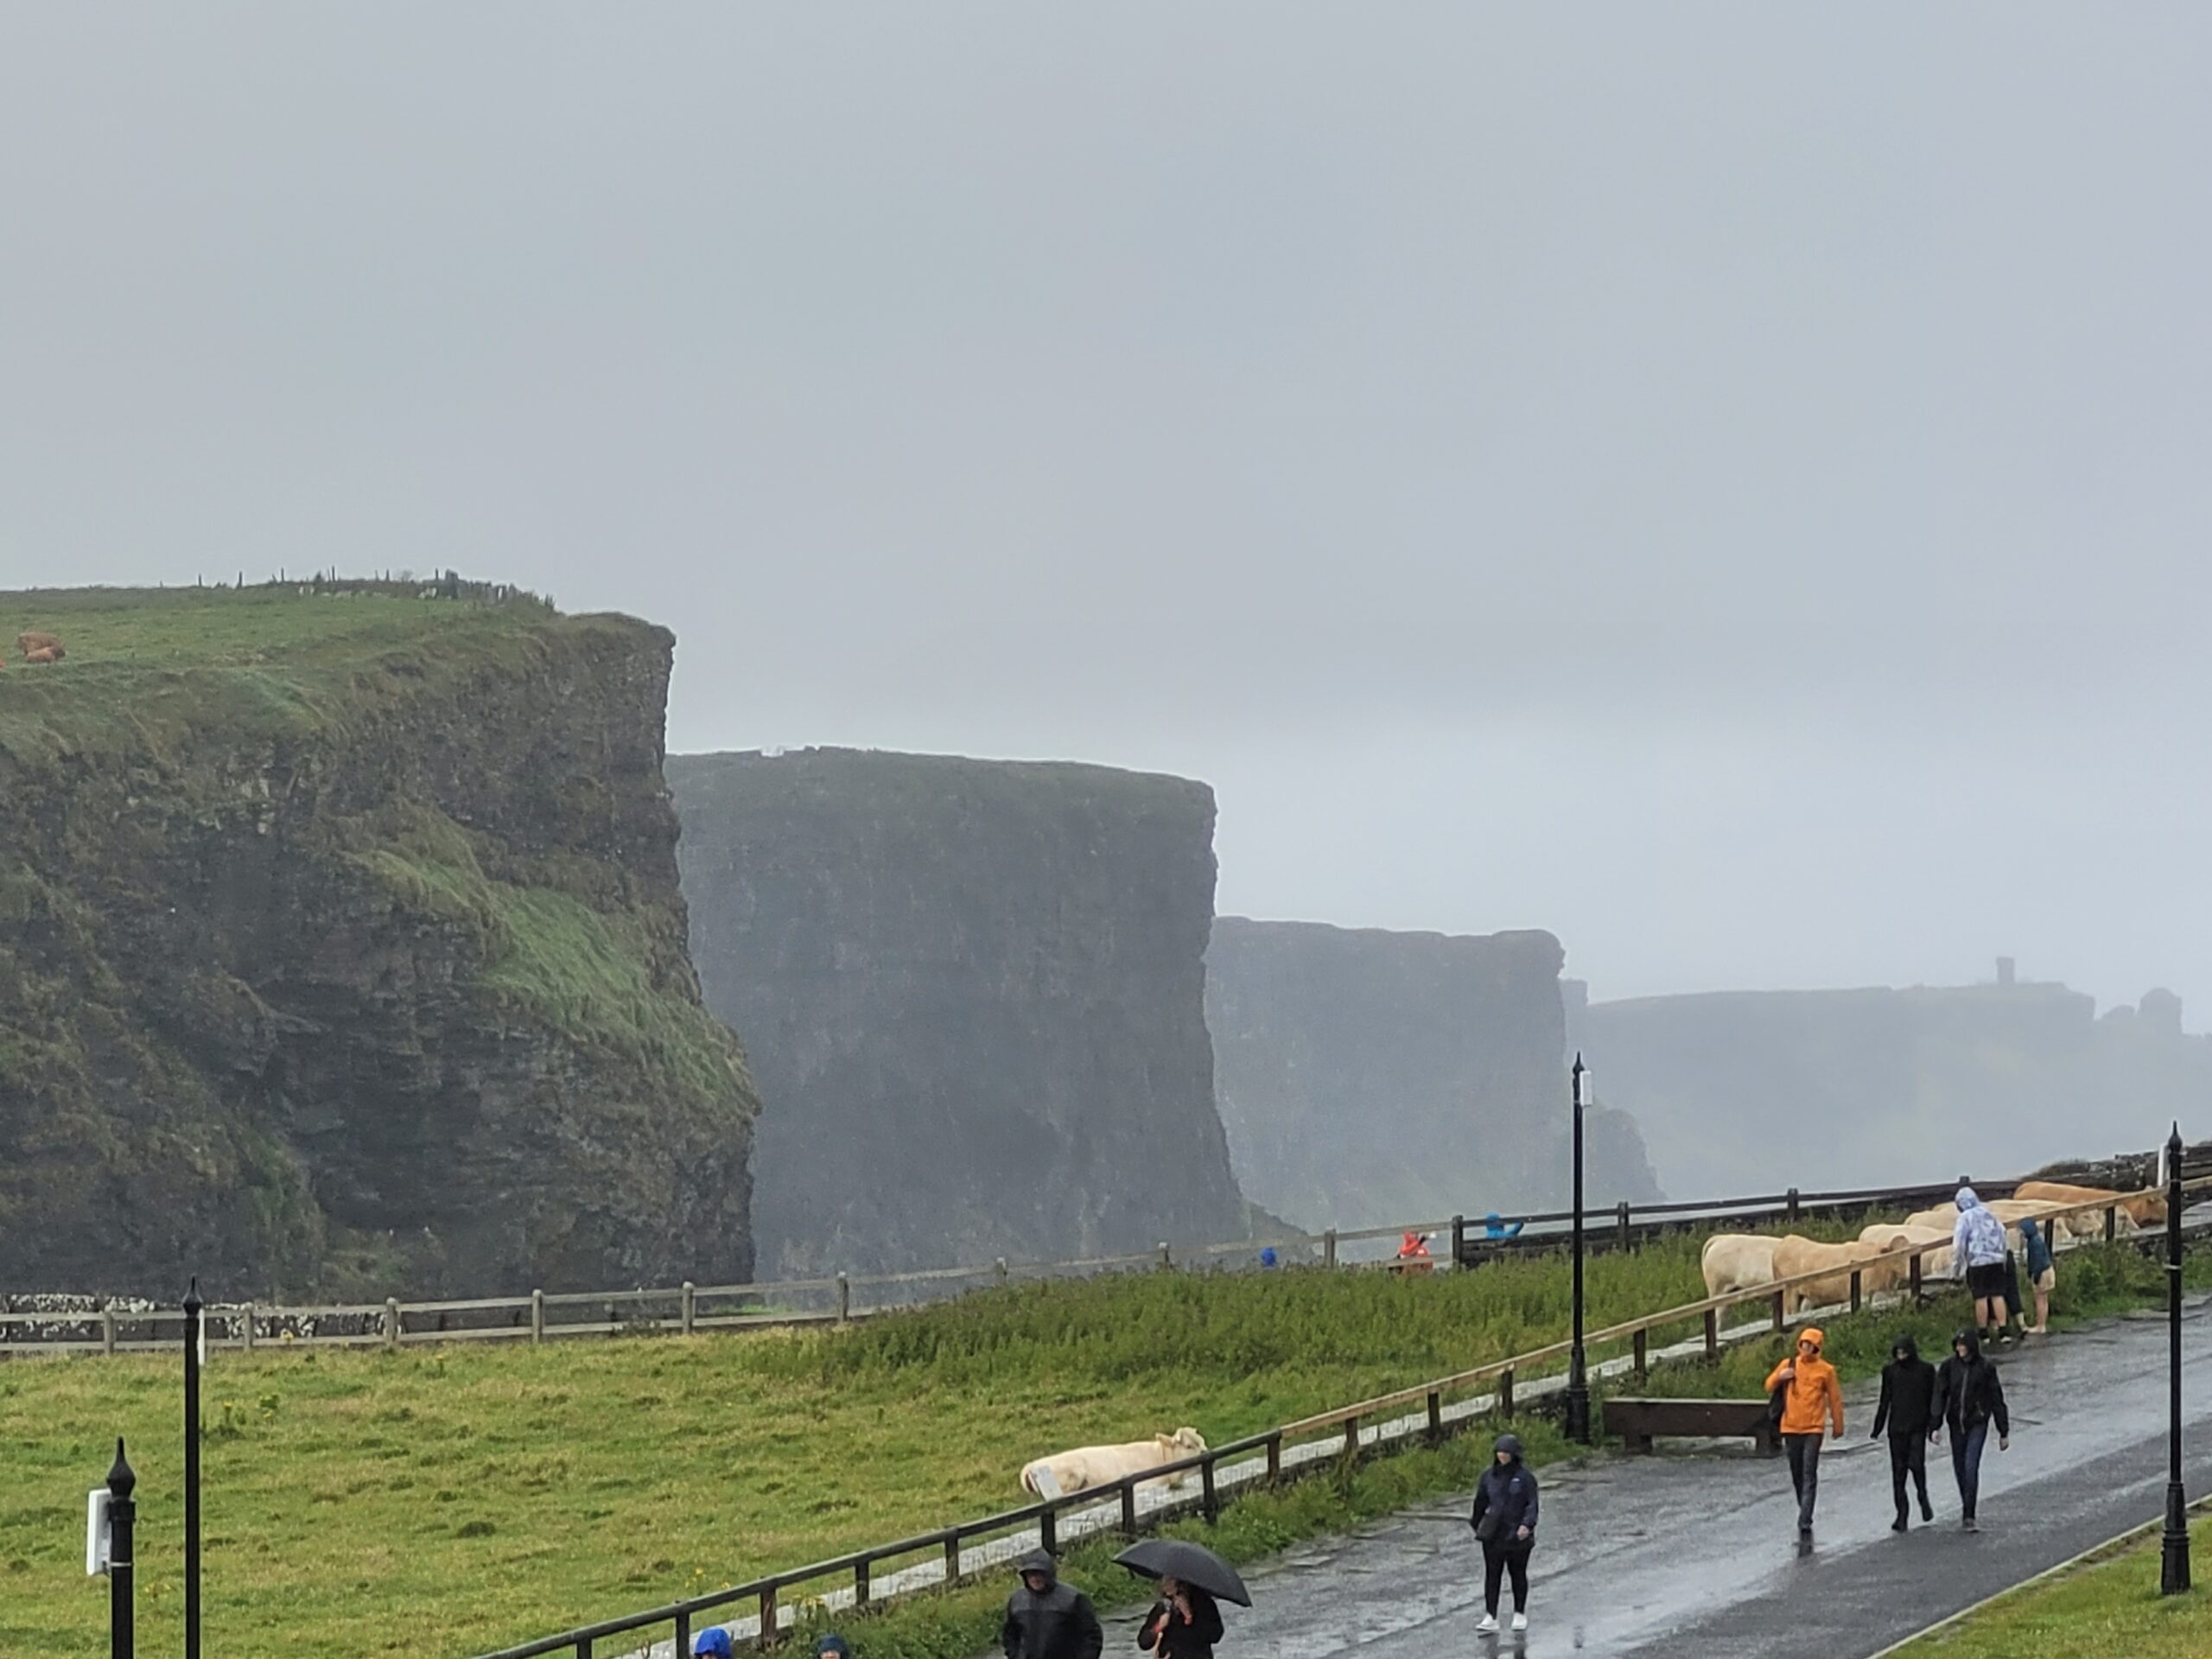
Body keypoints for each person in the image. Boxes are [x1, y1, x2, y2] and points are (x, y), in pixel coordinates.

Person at [1764, 1327, 1845, 1536]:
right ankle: (1804, 1506)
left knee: (1809, 1472)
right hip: (1790, 1426)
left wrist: (1838, 1425)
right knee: (1796, 1472)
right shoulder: (1789, 1364)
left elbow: (1835, 1399)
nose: (1806, 1348)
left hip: (1813, 1428)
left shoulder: (1826, 1371)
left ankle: (1805, 1518)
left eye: (1810, 1344)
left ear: (1817, 1346)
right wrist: (1781, 1377)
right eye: (1803, 1343)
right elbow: (1768, 1385)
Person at [1932, 1328, 2010, 1532]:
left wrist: (2003, 1431)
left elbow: (1996, 1398)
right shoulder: (1948, 1367)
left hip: (1977, 1422)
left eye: (1963, 1345)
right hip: (1956, 1424)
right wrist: (1935, 1425)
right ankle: (1967, 1503)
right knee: (1959, 1467)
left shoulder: (1985, 1368)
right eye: (1957, 1345)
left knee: (1970, 1465)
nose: (1960, 1349)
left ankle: (1969, 1514)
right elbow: (1939, 1396)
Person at [1467, 1431, 1539, 1634]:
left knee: (1518, 1574)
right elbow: (1480, 1502)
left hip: (1518, 1535)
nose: (1502, 1456)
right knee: (1492, 1575)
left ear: (1514, 1454)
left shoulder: (1525, 1478)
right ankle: (1491, 1615)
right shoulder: (1488, 1477)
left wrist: (1527, 1525)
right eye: (1499, 1452)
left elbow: (1532, 1504)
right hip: (1493, 1536)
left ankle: (1519, 1612)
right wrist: (1478, 1525)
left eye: (1506, 1452)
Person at [1869, 1332, 1937, 1529]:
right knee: (1898, 1474)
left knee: (1916, 1466)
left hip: (1917, 1426)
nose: (1900, 1356)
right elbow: (1885, 1401)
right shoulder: (1890, 1372)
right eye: (1897, 1352)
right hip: (1896, 1429)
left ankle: (1922, 1498)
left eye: (1904, 1352)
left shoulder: (1926, 1370)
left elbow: (1934, 1399)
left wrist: (1933, 1425)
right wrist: (1877, 1427)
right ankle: (1902, 1514)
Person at [1002, 1549, 1103, 1659]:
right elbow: (1010, 1635)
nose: (1035, 1579)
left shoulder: (1073, 1599)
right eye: (1031, 1574)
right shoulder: (1017, 1600)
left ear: (1049, 1574)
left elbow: (1092, 1637)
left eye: (1039, 1574)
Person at [1949, 1188, 2011, 1342]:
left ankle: (1983, 1332)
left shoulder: (1965, 1218)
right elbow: (2002, 1232)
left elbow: (1959, 1245)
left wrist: (1957, 1268)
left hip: (1977, 1262)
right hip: (1996, 1259)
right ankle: (2003, 1330)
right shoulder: (1988, 1212)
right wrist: (2003, 1255)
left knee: (1981, 1296)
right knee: (1997, 1294)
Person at [1138, 1575, 1224, 1658]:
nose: (1164, 1583)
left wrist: (1189, 1617)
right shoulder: (1163, 1607)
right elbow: (1144, 1643)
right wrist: (1158, 1627)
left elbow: (1215, 1635)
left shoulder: (1204, 1604)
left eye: (1170, 1579)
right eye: (1163, 1579)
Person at [2019, 1217, 2055, 1335]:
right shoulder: (2037, 1240)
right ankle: (2043, 1323)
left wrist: (2036, 1276)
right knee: (2044, 1299)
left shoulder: (2034, 1243)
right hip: (2049, 1270)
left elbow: (2037, 1261)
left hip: (2042, 1272)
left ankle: (2040, 1325)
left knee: (2039, 1299)